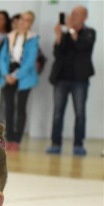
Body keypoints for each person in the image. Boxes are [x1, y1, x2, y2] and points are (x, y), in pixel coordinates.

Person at [46, 6, 96, 156]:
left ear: (85, 17)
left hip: (80, 79)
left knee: (80, 113)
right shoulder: (66, 33)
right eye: (72, 13)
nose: (73, 16)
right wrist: (58, 36)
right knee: (57, 113)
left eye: (77, 14)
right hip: (61, 78)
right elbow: (57, 53)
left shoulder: (90, 33)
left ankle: (78, 144)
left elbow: (82, 46)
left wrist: (71, 30)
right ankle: (55, 143)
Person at [0, 11, 39, 151]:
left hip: (24, 76)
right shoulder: (9, 37)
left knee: (21, 107)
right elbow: (2, 57)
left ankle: (17, 139)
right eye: (22, 19)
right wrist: (6, 74)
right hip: (8, 74)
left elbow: (30, 61)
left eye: (27, 20)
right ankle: (9, 137)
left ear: (30, 24)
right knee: (8, 107)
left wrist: (17, 76)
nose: (23, 22)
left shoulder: (33, 39)